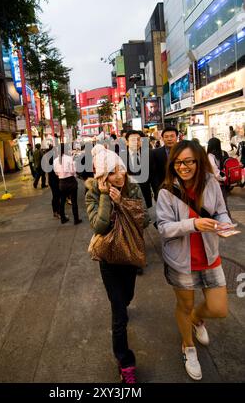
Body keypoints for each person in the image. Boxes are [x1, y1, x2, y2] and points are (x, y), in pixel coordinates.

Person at [156, 140, 232, 380]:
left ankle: (198, 320)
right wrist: (194, 224)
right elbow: (164, 228)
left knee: (219, 309)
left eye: (189, 161)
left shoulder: (211, 183)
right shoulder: (167, 191)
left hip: (210, 256)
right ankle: (188, 346)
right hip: (181, 261)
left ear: (199, 161)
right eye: (178, 162)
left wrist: (224, 223)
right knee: (184, 306)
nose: (183, 166)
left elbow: (220, 210)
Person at [85, 149, 149, 383]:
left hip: (129, 255)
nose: (119, 175)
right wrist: (104, 197)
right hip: (109, 259)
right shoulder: (92, 192)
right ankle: (126, 363)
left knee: (128, 296)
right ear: (102, 176)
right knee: (119, 313)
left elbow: (145, 220)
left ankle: (124, 302)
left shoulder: (132, 187)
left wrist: (122, 203)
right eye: (111, 172)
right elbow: (99, 227)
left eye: (120, 168)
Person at [53, 143, 82, 225]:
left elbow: (56, 173)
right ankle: (76, 219)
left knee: (62, 201)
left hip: (62, 182)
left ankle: (63, 218)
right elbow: (74, 171)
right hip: (71, 181)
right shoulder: (70, 159)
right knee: (74, 201)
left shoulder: (55, 160)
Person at [150, 126, 178, 200]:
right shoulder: (155, 153)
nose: (169, 139)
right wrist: (157, 191)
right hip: (163, 191)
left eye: (172, 136)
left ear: (177, 137)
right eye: (166, 137)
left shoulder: (183, 152)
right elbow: (154, 175)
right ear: (162, 138)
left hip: (181, 190)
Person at [207, 137, 230, 217]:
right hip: (223, 184)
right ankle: (227, 222)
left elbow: (214, 171)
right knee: (223, 205)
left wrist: (222, 178)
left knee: (217, 206)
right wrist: (224, 179)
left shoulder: (210, 156)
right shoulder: (223, 153)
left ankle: (226, 224)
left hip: (215, 183)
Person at [42, 146, 60, 218]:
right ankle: (57, 212)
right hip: (54, 180)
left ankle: (55, 212)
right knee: (56, 196)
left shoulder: (47, 158)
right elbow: (55, 170)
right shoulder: (53, 159)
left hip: (51, 180)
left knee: (55, 196)